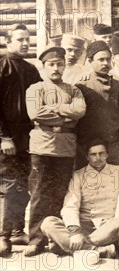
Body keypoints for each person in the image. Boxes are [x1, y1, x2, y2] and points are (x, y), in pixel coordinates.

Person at [24, 46, 87, 256]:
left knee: (61, 194)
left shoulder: (73, 89)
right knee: (40, 193)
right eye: (51, 64)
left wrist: (54, 109)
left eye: (60, 64)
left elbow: (80, 110)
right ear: (43, 67)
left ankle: (56, 239)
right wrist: (65, 115)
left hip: (66, 148)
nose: (56, 68)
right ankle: (35, 240)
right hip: (42, 146)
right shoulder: (35, 89)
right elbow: (35, 113)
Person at [40, 140, 119, 257]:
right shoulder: (78, 175)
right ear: (87, 157)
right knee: (48, 223)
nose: (98, 157)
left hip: (108, 227)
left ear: (108, 154)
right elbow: (70, 205)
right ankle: (96, 250)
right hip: (84, 225)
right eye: (93, 154)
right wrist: (75, 232)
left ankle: (67, 245)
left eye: (102, 153)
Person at [0, 24, 42, 255]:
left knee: (24, 186)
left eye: (28, 39)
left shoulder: (31, 69)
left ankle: (17, 232)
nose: (25, 43)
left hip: (28, 138)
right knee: (9, 186)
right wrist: (3, 137)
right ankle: (3, 236)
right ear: (8, 42)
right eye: (20, 39)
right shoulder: (1, 66)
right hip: (7, 139)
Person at [75, 41, 119, 169]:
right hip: (90, 147)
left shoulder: (118, 86)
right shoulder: (82, 86)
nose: (105, 63)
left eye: (108, 59)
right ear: (90, 61)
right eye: (100, 59)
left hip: (115, 146)